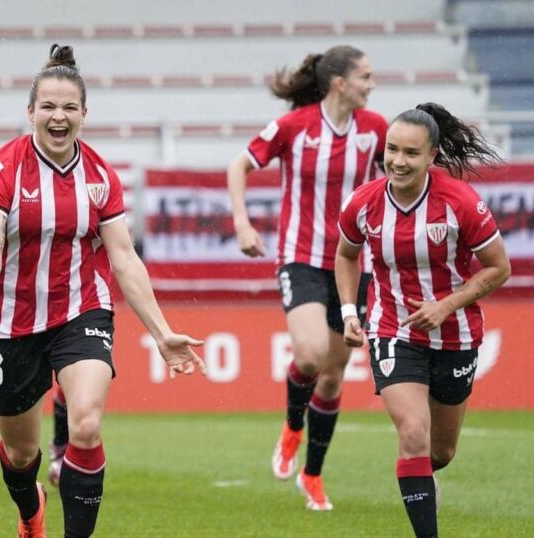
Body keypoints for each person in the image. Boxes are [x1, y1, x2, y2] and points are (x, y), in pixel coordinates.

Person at [0, 44, 206, 538]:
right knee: (21, 454)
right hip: (13, 324)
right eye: (48, 106)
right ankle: (31, 514)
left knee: (85, 424)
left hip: (81, 311)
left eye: (69, 107)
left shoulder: (100, 175)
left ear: (84, 114)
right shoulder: (4, 172)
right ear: (30, 112)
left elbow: (124, 258)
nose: (58, 116)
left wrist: (161, 332)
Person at [336, 103, 510, 537]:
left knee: (440, 451)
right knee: (413, 432)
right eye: (391, 150)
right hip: (392, 329)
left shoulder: (460, 203)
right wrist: (348, 311)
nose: (397, 161)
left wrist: (447, 305)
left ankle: (421, 478)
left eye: (411, 153)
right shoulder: (364, 203)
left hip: (456, 334)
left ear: (432, 156)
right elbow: (346, 254)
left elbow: (498, 267)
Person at [227, 45, 388, 510]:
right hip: (299, 257)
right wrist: (241, 222)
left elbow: (401, 175)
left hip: (352, 262)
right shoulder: (295, 127)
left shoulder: (376, 129)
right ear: (340, 82)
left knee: (334, 379)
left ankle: (313, 475)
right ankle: (293, 425)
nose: (371, 85)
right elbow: (238, 164)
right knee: (311, 353)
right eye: (366, 76)